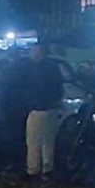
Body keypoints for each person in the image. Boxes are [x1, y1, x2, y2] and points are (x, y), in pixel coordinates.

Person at [25, 44, 64, 178]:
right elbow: (59, 88)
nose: (30, 54)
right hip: (52, 109)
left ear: (38, 53)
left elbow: (36, 89)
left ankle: (33, 169)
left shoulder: (37, 69)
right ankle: (48, 168)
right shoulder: (54, 67)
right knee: (48, 141)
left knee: (34, 141)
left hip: (39, 109)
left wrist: (31, 103)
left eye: (32, 51)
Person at [0, 47, 31, 170]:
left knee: (14, 136)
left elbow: (5, 89)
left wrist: (3, 104)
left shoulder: (9, 70)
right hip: (24, 106)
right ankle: (24, 161)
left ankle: (17, 163)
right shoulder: (27, 68)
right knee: (23, 135)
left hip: (13, 106)